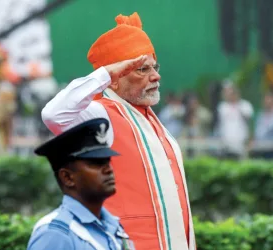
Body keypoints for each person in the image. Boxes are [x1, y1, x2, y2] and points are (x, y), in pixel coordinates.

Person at [41, 12, 195, 250]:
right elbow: (54, 114)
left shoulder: (150, 117)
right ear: (114, 79)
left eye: (154, 67)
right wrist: (104, 74)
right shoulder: (101, 115)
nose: (156, 76)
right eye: (142, 70)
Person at [27, 118, 135, 250]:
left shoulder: (112, 226)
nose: (109, 169)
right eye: (96, 163)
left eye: (107, 161)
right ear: (67, 177)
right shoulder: (55, 235)